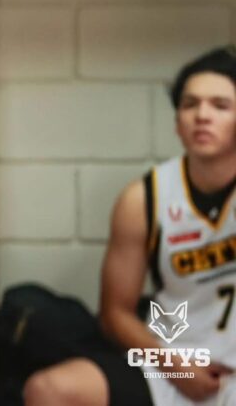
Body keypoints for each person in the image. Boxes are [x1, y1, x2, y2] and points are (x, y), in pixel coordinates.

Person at [23, 46, 236, 406]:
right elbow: (114, 314)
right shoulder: (143, 199)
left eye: (220, 105)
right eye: (190, 104)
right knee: (48, 389)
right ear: (177, 123)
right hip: (175, 359)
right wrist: (175, 367)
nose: (202, 115)